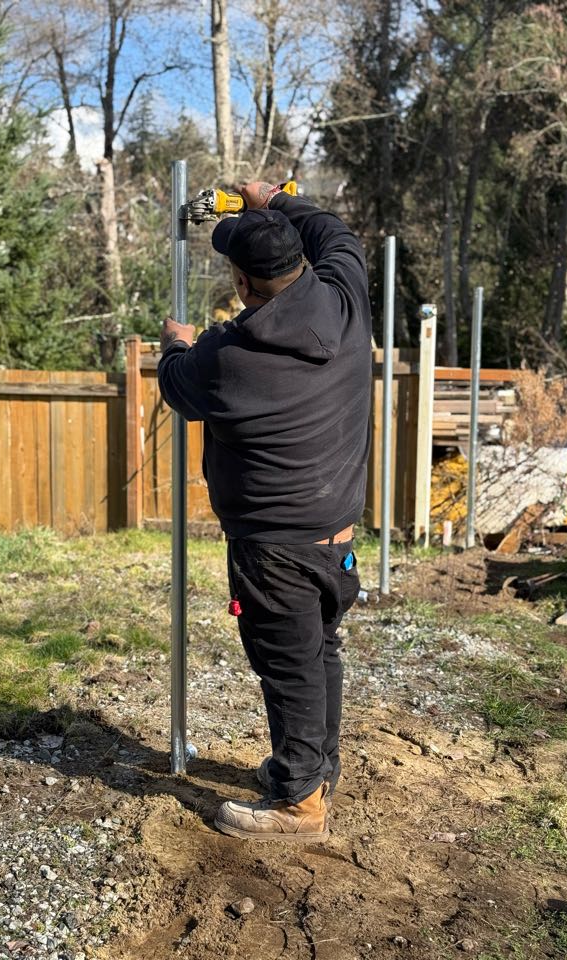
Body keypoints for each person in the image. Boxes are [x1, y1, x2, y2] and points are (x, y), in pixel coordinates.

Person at [157, 180, 372, 842]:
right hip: (335, 537)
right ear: (301, 261)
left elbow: (177, 387)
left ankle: (298, 803)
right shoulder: (345, 301)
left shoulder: (226, 357)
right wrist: (274, 200)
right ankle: (316, 769)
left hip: (274, 550)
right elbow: (338, 234)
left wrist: (176, 343)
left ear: (243, 282)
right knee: (319, 652)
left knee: (288, 666)